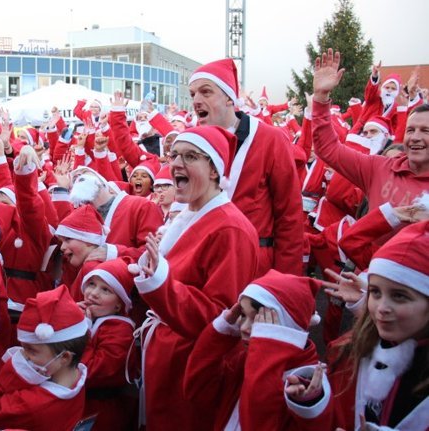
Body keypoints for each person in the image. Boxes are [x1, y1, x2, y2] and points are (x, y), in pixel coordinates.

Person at [130, 126, 260, 429]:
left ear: (214, 169)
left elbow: (220, 318)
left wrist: (160, 284)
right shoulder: (190, 214)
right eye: (175, 154)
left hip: (189, 369)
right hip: (168, 359)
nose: (176, 163)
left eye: (190, 156)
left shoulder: (230, 229)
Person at [188, 58, 303, 275]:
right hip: (205, 260)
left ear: (230, 98)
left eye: (206, 92)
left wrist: (284, 283)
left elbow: (290, 217)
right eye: (192, 94)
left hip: (253, 264)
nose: (196, 100)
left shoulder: (270, 139)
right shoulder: (194, 141)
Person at [184, 270, 331, 430]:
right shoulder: (244, 360)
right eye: (243, 315)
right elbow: (199, 392)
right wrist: (218, 336)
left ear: (288, 326)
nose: (244, 327)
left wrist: (266, 355)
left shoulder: (306, 384)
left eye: (259, 320)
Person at [311, 49, 429, 236]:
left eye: (425, 131)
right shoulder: (380, 168)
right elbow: (328, 148)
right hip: (369, 264)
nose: (415, 137)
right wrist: (320, 97)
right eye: (410, 130)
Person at [327, 221, 429, 430]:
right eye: (375, 292)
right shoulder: (356, 350)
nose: (382, 307)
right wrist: (312, 402)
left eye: (399, 296)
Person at [0, 285, 89, 431]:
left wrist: (12, 373)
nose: (23, 355)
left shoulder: (32, 404)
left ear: (64, 357)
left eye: (31, 350)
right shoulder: (77, 375)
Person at [78, 258, 138, 431]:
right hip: (82, 406)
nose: (93, 293)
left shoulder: (121, 332)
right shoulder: (88, 317)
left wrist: (83, 332)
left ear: (119, 304)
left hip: (101, 414)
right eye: (91, 284)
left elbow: (92, 371)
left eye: (106, 290)